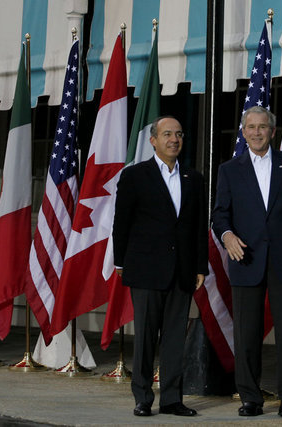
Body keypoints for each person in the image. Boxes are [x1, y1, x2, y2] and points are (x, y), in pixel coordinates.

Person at [212, 106, 282, 418]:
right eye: (251, 127)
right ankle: (250, 398)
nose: (257, 132)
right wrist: (228, 235)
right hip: (246, 259)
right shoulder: (229, 170)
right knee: (246, 334)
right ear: (243, 132)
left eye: (262, 127)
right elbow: (220, 214)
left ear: (272, 131)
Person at [112, 116, 208, 417]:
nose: (174, 139)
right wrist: (120, 262)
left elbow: (197, 228)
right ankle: (142, 397)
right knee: (145, 337)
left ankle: (171, 399)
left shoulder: (194, 179)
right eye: (167, 134)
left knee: (174, 339)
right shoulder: (135, 176)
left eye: (179, 134)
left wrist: (200, 266)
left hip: (182, 271)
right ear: (153, 140)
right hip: (145, 269)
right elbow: (122, 223)